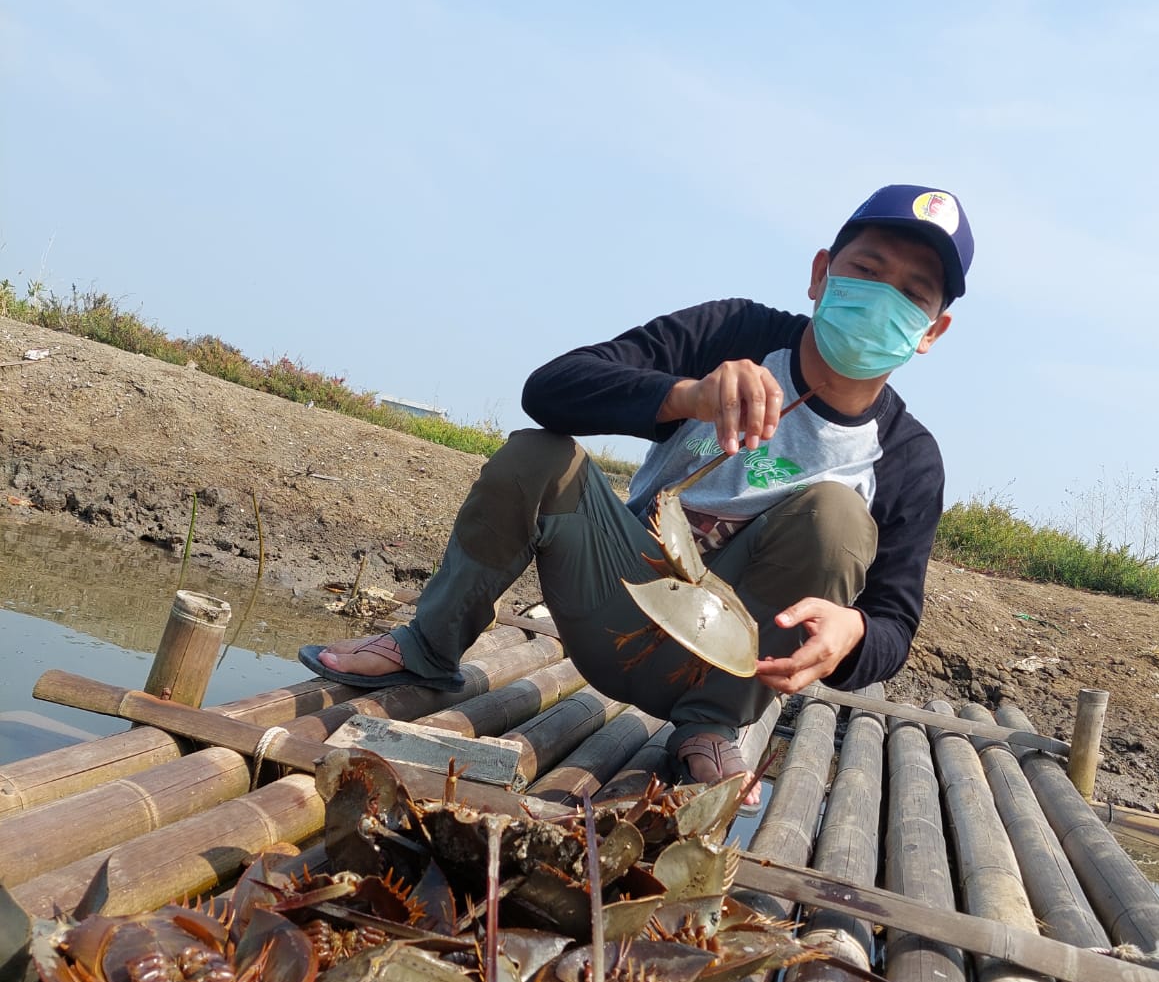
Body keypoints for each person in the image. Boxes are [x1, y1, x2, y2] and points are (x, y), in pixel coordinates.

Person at [300, 183, 973, 803]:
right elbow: (552, 387)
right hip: (616, 605)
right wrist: (685, 396)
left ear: (932, 332)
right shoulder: (732, 334)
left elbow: (893, 623)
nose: (883, 298)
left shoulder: (910, 460)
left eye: (914, 294)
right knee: (537, 453)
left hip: (727, 663)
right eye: (867, 270)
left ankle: (707, 729)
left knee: (836, 515)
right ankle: (428, 646)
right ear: (821, 273)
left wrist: (854, 631)